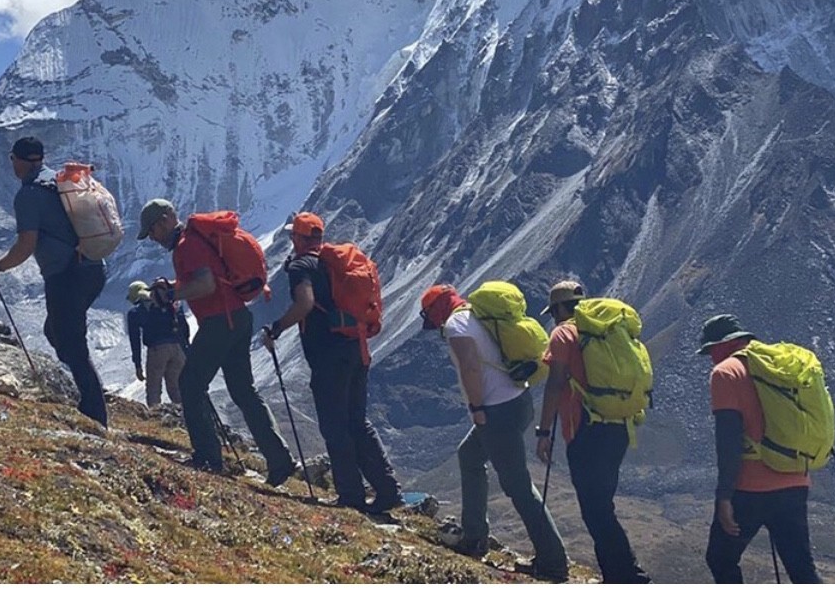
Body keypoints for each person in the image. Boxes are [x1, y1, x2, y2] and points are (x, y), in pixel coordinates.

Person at [138, 197, 295, 481]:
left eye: (152, 230)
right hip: (237, 317)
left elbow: (206, 284)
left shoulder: (187, 246)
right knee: (243, 390)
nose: (152, 237)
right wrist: (173, 287)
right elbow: (211, 279)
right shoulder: (194, 241)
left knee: (190, 384)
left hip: (220, 322)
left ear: (164, 221)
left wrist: (172, 294)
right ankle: (280, 459)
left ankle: (208, 458)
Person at [420, 283, 568, 582]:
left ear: (436, 311)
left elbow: (470, 367)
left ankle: (553, 562)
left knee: (518, 486)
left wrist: (476, 407)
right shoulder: (478, 315)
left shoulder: (455, 324)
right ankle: (474, 536)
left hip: (497, 411)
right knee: (470, 456)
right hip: (518, 401)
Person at [260, 212, 403, 513]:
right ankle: (388, 490)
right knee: (357, 421)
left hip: (328, 356)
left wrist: (276, 327)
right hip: (356, 348)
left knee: (334, 425)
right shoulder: (332, 263)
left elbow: (305, 303)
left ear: (298, 238)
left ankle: (350, 496)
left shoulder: (301, 265)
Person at [0, 136, 107, 428]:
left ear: (21, 160)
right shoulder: (58, 181)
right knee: (57, 331)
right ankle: (86, 397)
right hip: (93, 269)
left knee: (71, 342)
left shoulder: (29, 194)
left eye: (12, 158)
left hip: (65, 276)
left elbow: (26, 245)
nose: (11, 164)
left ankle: (95, 415)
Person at [535, 280, 651, 583]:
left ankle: (627, 576)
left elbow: (555, 384)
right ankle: (619, 573)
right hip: (620, 426)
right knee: (601, 505)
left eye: (554, 311)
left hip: (586, 431)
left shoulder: (563, 334)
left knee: (595, 510)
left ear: (560, 308)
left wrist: (543, 432)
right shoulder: (609, 329)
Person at [698, 313, 823, 583]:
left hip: (751, 488)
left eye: (711, 350)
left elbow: (728, 442)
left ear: (722, 345)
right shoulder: (777, 366)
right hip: (794, 479)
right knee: (802, 568)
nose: (711, 357)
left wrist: (724, 497)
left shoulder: (725, 372)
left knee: (720, 558)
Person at [126, 279, 190, 407]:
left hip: (157, 350)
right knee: (176, 388)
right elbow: (184, 327)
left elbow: (135, 340)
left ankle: (156, 419)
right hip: (178, 348)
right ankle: (186, 418)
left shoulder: (135, 312)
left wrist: (137, 365)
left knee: (154, 389)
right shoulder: (168, 302)